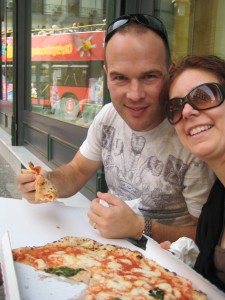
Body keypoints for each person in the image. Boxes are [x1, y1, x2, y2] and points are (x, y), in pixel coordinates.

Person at [17, 14, 214, 243]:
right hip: (107, 254)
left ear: (169, 74)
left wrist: (139, 227)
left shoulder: (191, 135)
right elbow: (77, 171)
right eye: (120, 78)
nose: (134, 95)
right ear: (106, 75)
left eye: (149, 76)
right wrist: (46, 182)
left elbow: (206, 237)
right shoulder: (108, 116)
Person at [163, 54, 225, 291]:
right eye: (176, 107)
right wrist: (180, 265)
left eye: (204, 95)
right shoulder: (215, 201)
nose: (187, 111)